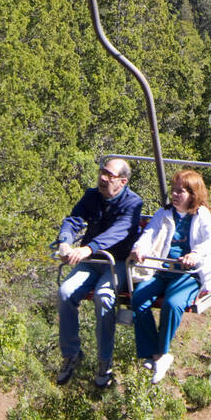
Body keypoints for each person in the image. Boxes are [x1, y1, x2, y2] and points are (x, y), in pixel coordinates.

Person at [55, 158, 143, 388]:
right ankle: (71, 354)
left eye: (109, 175)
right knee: (65, 292)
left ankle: (105, 363)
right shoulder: (92, 196)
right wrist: (65, 243)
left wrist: (87, 248)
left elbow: (120, 231)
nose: (103, 178)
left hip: (118, 263)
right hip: (93, 261)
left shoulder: (133, 203)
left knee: (104, 297)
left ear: (122, 181)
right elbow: (73, 220)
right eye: (102, 172)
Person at [130, 169, 211, 384]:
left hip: (188, 274)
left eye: (180, 191)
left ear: (193, 194)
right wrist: (139, 248)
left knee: (172, 303)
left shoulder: (202, 217)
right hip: (162, 270)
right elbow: (149, 233)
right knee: (138, 298)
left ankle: (161, 352)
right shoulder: (164, 214)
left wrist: (195, 255)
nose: (175, 195)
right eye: (174, 190)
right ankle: (156, 355)